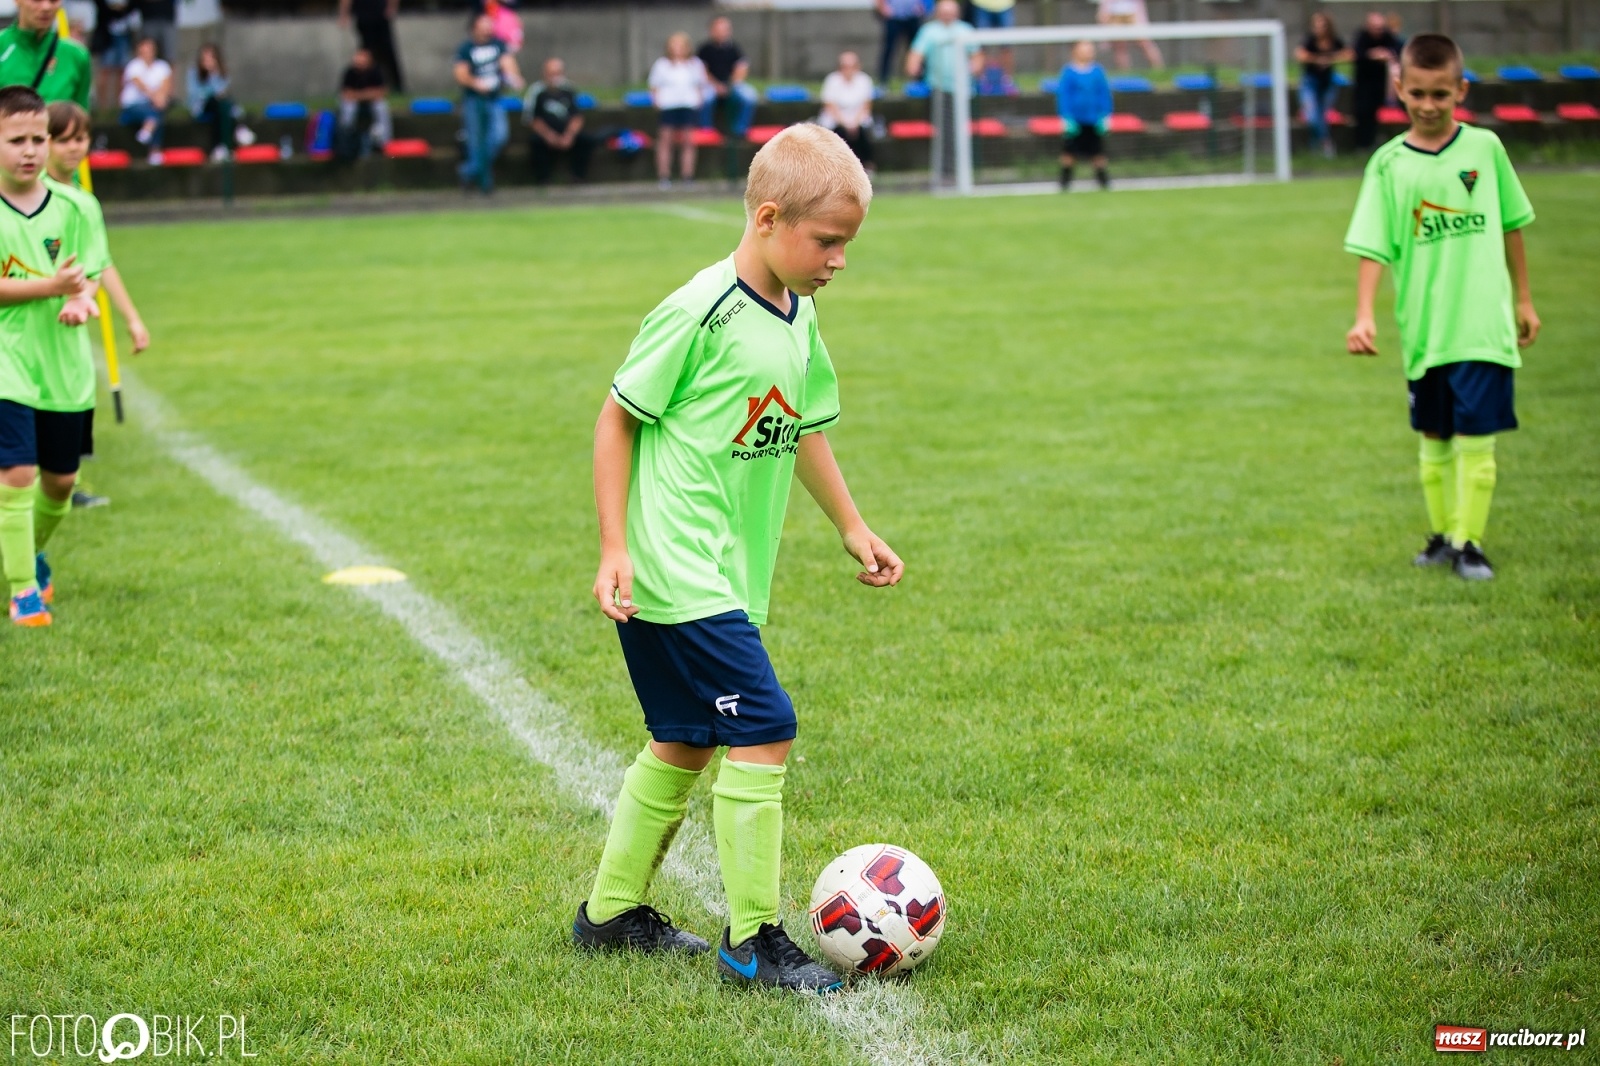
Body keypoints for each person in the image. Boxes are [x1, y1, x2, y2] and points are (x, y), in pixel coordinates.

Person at [575, 123, 902, 990]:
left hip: (722, 571)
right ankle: (753, 941)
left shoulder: (800, 315)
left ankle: (608, 915)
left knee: (684, 739)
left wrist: (851, 525)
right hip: (672, 567)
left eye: (847, 244)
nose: (838, 259)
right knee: (765, 725)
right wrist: (615, 544)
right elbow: (616, 418)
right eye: (826, 241)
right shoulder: (698, 310)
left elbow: (798, 431)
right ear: (767, 218)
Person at [1343, 34, 1539, 582]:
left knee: (1477, 437)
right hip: (1424, 328)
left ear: (1461, 90)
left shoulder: (1485, 150)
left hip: (1481, 324)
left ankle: (1469, 544)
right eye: (1418, 94)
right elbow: (1372, 245)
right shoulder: (1387, 166)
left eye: (1441, 95)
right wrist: (1364, 314)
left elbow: (1512, 224)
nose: (1429, 106)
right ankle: (1440, 538)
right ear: (1400, 89)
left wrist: (1523, 298)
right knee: (1433, 434)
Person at [0, 87, 108, 626]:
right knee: (16, 474)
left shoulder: (77, 206)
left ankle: (26, 552)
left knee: (60, 484)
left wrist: (80, 299)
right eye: (16, 139)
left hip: (63, 368)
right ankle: (23, 592)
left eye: (37, 139)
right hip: (7, 361)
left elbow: (87, 277)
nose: (30, 150)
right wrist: (51, 287)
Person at [45, 102, 148, 511]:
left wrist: (132, 318)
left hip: (67, 330)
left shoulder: (84, 204)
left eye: (81, 139)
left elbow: (100, 265)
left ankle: (66, 488)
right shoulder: (24, 196)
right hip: (24, 329)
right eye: (64, 139)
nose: (74, 148)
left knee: (65, 426)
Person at [906, 0, 982, 184]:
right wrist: (913, 66)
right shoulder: (929, 31)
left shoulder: (965, 30)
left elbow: (977, 56)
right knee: (945, 131)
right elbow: (915, 54)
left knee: (961, 131)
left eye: (951, 11)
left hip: (963, 90)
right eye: (944, 11)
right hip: (940, 90)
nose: (947, 14)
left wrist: (974, 70)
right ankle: (947, 172)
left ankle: (965, 170)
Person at [453, 13, 523, 195]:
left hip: (494, 99)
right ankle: (484, 182)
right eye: (483, 24)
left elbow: (508, 64)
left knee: (499, 136)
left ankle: (469, 171)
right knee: (476, 141)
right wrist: (476, 83)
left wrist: (513, 78)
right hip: (474, 100)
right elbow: (461, 74)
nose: (488, 28)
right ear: (474, 27)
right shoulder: (466, 48)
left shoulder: (498, 45)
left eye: (489, 24)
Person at [0, 0, 93, 109]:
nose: (46, 7)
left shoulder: (77, 56)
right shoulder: (3, 46)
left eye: (53, 1)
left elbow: (80, 120)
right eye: (36, 0)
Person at [648, 33, 707, 189]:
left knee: (688, 140)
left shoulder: (694, 64)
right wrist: (657, 102)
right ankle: (664, 176)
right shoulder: (662, 65)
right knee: (665, 140)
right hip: (668, 106)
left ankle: (687, 176)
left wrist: (699, 101)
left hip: (688, 105)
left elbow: (700, 85)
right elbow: (654, 86)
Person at [523, 57, 591, 184]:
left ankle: (578, 178)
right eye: (551, 73)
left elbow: (577, 116)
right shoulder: (536, 91)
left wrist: (569, 135)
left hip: (567, 132)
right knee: (535, 143)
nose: (554, 77)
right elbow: (532, 119)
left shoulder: (569, 89)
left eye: (557, 73)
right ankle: (543, 180)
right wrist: (549, 136)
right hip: (545, 134)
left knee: (585, 141)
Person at [696, 15, 756, 158]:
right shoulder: (704, 50)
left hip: (731, 84)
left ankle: (739, 131)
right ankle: (707, 131)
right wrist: (717, 86)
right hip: (711, 85)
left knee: (750, 96)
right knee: (706, 98)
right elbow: (702, 72)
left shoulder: (734, 48)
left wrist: (730, 85)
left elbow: (741, 68)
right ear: (711, 30)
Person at [1295, 12, 1351, 159]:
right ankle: (1323, 143)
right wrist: (1317, 60)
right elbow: (1300, 55)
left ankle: (1318, 148)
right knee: (1312, 116)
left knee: (1323, 116)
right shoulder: (1309, 40)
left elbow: (1349, 54)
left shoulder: (1334, 41)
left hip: (1327, 83)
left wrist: (1330, 59)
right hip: (1310, 82)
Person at [1057, 40, 1111, 191]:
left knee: (1098, 153)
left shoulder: (1097, 71)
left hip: (1093, 120)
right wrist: (1066, 118)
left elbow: (1104, 94)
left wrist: (1105, 115)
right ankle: (1064, 183)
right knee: (1069, 154)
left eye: (1090, 49)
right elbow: (1064, 96)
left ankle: (1104, 183)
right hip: (1075, 121)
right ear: (1075, 51)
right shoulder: (1068, 72)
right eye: (1084, 48)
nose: (1088, 51)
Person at [1351, 10, 1402, 149]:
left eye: (1380, 28)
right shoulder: (1362, 37)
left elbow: (1398, 50)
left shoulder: (1388, 37)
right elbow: (1357, 54)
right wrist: (1372, 55)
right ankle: (1362, 145)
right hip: (1364, 84)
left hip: (1381, 84)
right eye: (1375, 28)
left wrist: (1387, 54)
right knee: (1363, 113)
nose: (1378, 31)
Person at [819, 51, 874, 170]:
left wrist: (855, 122)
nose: (848, 70)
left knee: (863, 132)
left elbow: (866, 106)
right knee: (838, 133)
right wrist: (845, 123)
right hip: (837, 119)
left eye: (852, 66)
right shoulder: (832, 80)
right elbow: (830, 106)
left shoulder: (865, 80)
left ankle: (866, 164)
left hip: (858, 118)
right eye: (844, 67)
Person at [119, 36, 170, 164]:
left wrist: (161, 98)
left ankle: (148, 131)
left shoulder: (162, 66)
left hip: (153, 104)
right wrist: (156, 98)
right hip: (132, 107)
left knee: (156, 111)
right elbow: (140, 85)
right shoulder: (133, 66)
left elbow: (166, 86)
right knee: (155, 113)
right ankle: (154, 149)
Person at [338, 0, 404, 94]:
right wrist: (343, 14)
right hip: (363, 16)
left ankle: (397, 85)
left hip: (380, 15)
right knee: (366, 53)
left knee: (387, 52)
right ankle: (361, 85)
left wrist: (392, 7)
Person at [187, 43, 238, 161]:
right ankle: (237, 129)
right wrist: (212, 89)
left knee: (221, 107)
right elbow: (195, 94)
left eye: (211, 58)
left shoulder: (221, 73)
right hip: (201, 106)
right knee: (218, 103)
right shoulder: (193, 73)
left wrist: (213, 74)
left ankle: (220, 147)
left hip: (219, 106)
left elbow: (223, 91)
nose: (208, 61)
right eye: (205, 58)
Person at [337, 46, 392, 157]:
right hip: (355, 103)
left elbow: (382, 92)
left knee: (381, 107)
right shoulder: (350, 72)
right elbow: (346, 94)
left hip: (371, 102)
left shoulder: (376, 71)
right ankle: (347, 134)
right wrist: (367, 94)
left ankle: (384, 141)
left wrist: (359, 95)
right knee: (347, 107)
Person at [89, 0, 137, 111]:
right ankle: (103, 106)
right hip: (107, 36)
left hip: (124, 34)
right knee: (105, 70)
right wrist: (113, 9)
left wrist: (123, 8)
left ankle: (120, 104)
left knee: (122, 71)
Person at [1096, 0, 1162, 71]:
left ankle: (1159, 70)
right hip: (1114, 14)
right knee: (1120, 46)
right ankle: (1125, 73)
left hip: (1134, 13)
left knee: (1144, 42)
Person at [876, 0, 926, 85]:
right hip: (894, 16)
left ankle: (921, 80)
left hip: (913, 16)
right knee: (889, 48)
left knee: (917, 49)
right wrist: (883, 8)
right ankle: (883, 79)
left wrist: (922, 7)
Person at [970, 0, 1015, 85]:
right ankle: (980, 83)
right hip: (982, 4)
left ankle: (1008, 82)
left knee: (1007, 45)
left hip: (1005, 5)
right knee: (980, 46)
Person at [134, 0, 174, 75]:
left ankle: (168, 84)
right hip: (148, 19)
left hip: (167, 19)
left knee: (170, 57)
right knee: (146, 54)